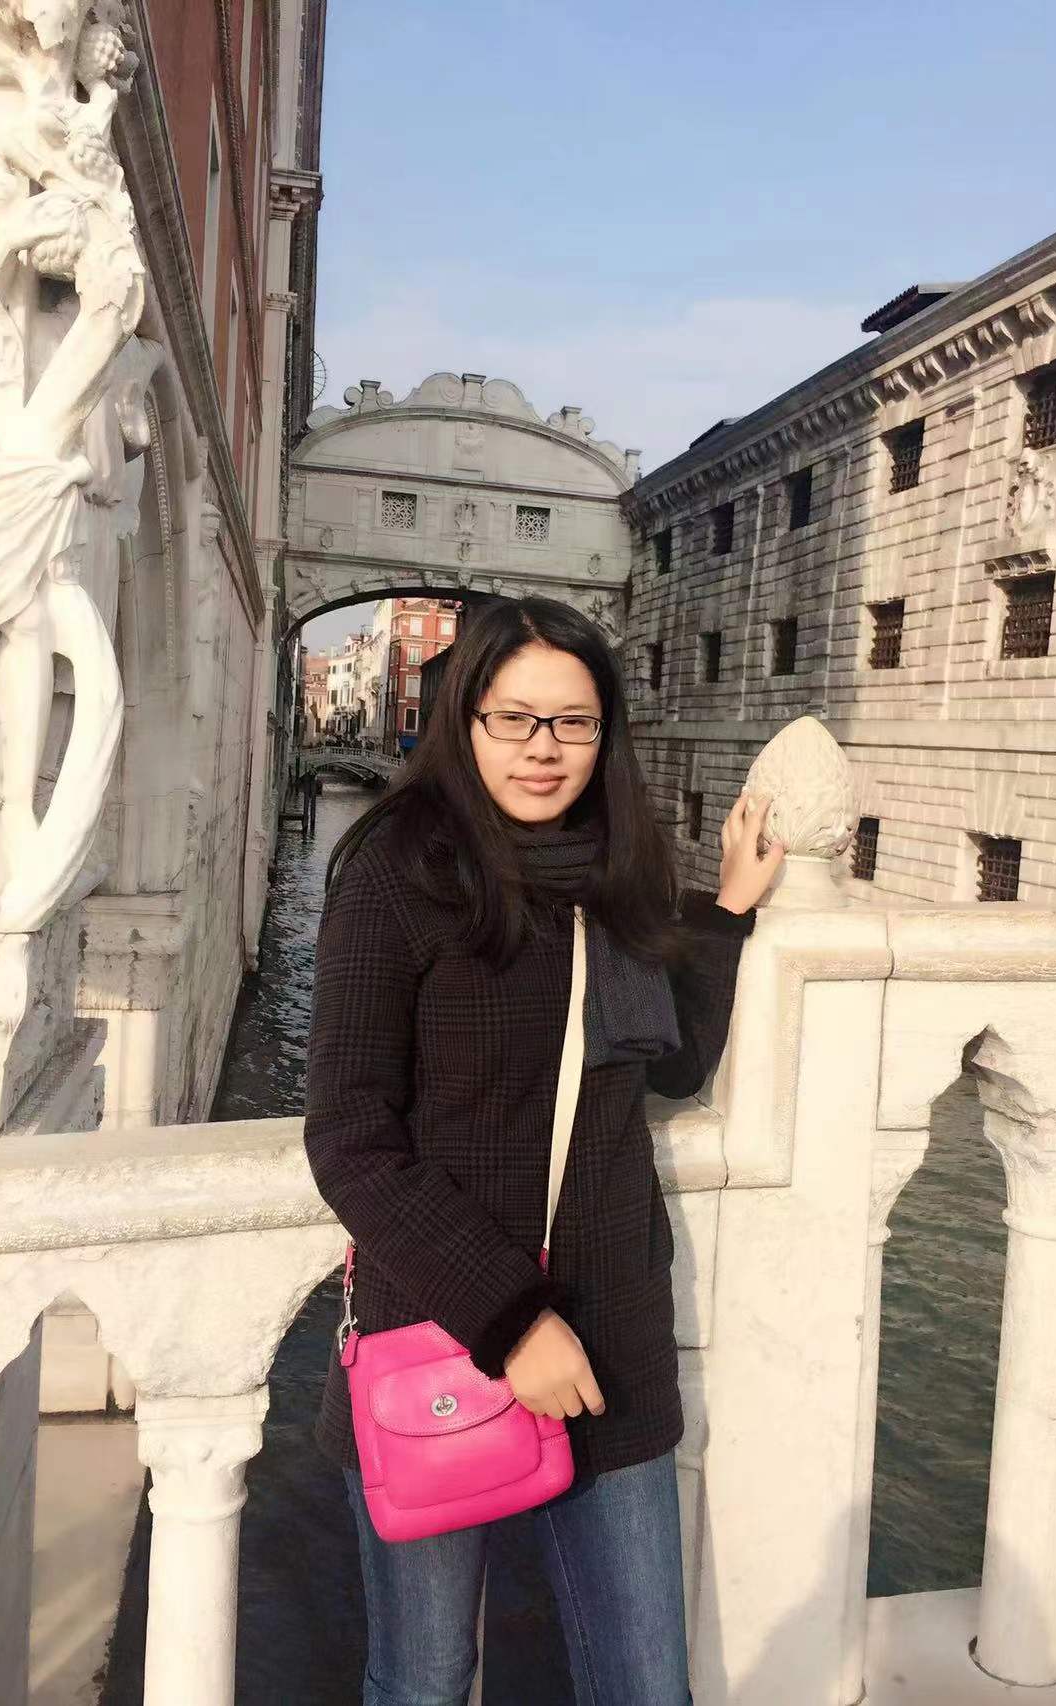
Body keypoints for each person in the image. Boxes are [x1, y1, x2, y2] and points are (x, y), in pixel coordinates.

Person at [304, 596, 784, 1706]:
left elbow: (668, 1064)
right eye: (513, 718)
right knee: (423, 1679)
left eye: (572, 722)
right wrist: (513, 1319)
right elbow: (350, 1135)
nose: (542, 748)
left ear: (604, 733)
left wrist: (725, 914)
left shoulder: (619, 874)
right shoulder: (396, 873)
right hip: (442, 1327)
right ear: (464, 721)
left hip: (611, 1336)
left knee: (645, 1683)